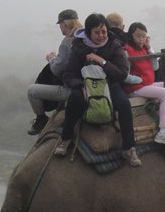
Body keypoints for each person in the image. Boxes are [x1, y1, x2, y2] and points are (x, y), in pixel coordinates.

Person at [56, 13, 141, 167]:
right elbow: (69, 74)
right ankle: (65, 138)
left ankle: (129, 147)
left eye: (104, 32)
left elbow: (122, 72)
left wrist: (102, 61)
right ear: (89, 32)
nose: (101, 35)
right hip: (85, 85)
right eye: (97, 32)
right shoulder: (79, 46)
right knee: (74, 100)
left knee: (124, 105)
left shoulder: (114, 45)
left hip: (109, 85)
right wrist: (80, 86)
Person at [26, 9, 81, 135]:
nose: (60, 27)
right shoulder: (86, 37)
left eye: (60, 24)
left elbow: (57, 69)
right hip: (91, 87)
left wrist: (52, 59)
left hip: (72, 90)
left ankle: (41, 120)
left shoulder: (67, 41)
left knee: (32, 91)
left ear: (65, 23)